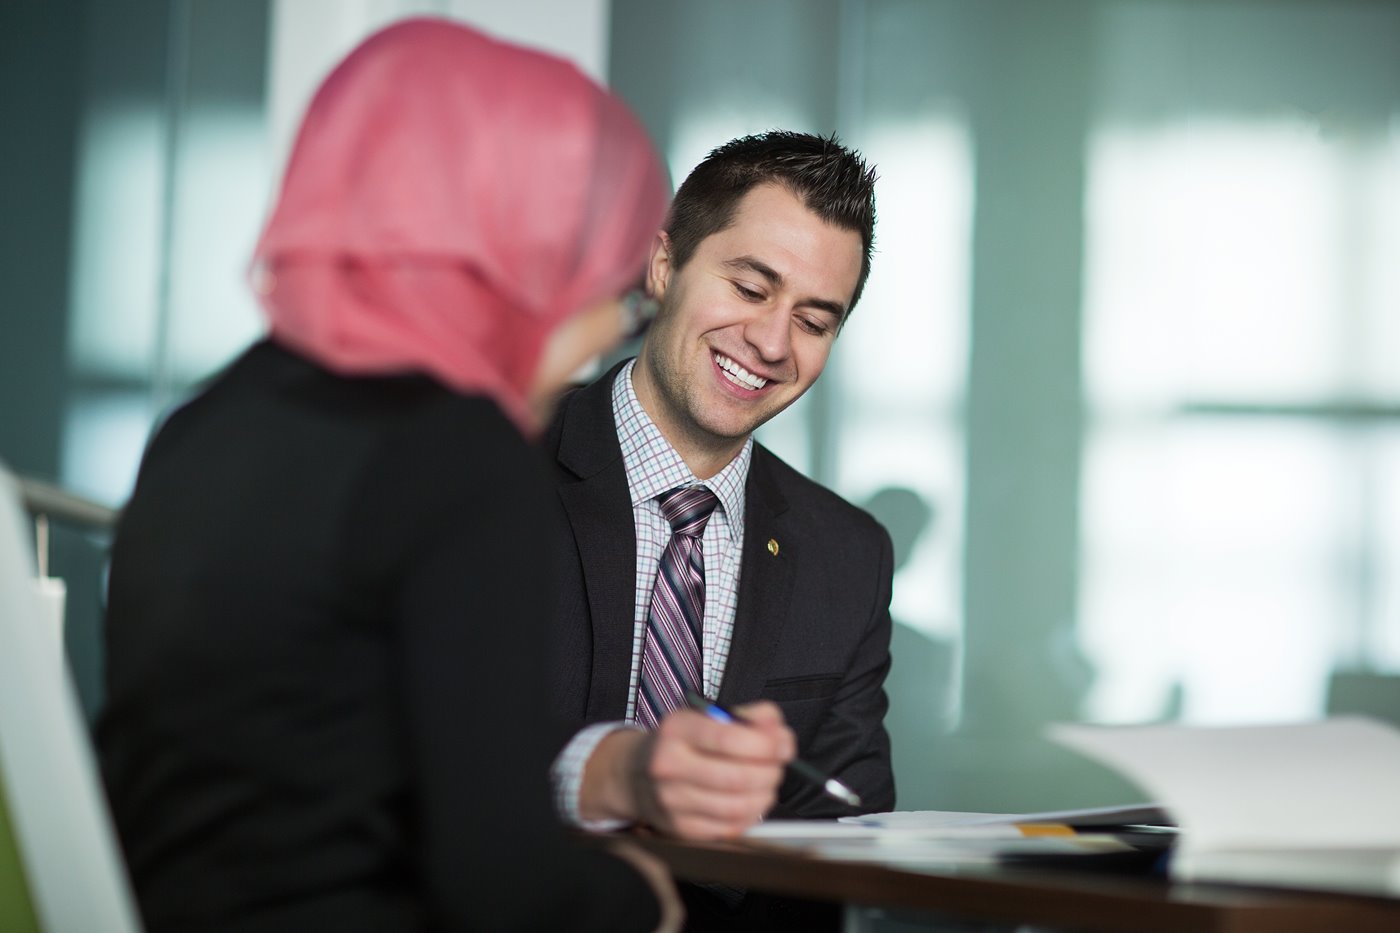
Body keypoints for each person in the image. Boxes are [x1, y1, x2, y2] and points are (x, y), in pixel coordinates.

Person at [96, 18, 680, 933]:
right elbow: (499, 887)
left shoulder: (198, 428)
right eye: (612, 290)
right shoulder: (460, 457)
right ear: (512, 253)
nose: (611, 328)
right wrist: (640, 899)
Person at [544, 130, 896, 929]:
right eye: (750, 288)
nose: (773, 343)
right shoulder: (491, 466)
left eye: (814, 320)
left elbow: (846, 830)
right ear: (665, 266)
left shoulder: (848, 554)